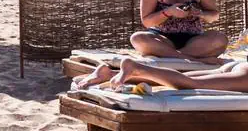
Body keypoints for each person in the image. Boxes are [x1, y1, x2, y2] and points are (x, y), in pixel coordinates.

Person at [77, 56, 248, 94]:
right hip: (244, 74)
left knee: (183, 80)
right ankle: (135, 68)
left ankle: (109, 74)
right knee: (193, 84)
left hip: (237, 66)